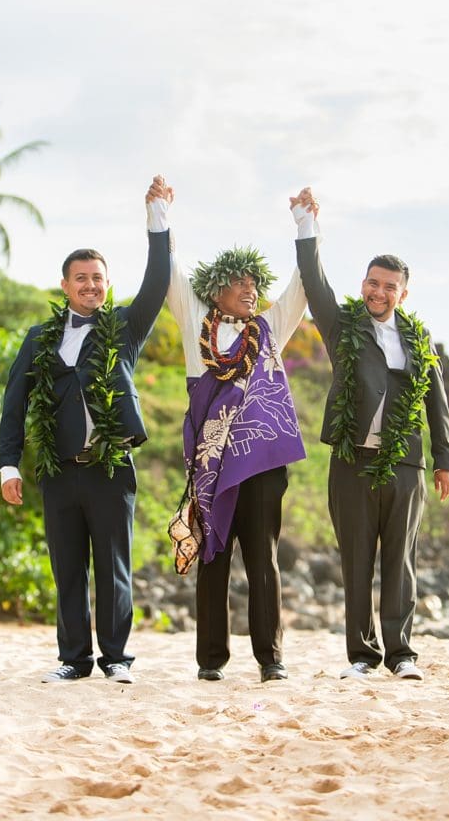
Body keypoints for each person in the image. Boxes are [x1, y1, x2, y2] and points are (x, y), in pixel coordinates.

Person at [0, 176, 172, 683]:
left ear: (107, 284)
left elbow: (157, 282)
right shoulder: (39, 338)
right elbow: (15, 402)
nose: (91, 285)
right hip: (58, 472)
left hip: (110, 468)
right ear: (65, 285)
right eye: (81, 278)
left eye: (98, 278)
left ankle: (116, 658)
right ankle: (73, 660)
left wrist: (158, 218)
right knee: (68, 569)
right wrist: (9, 465)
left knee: (114, 567)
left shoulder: (124, 329)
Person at [149, 179, 315, 682]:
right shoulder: (194, 321)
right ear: (215, 290)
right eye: (240, 283)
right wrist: (159, 212)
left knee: (263, 559)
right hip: (212, 464)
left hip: (261, 465)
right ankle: (211, 661)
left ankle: (271, 659)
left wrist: (306, 223)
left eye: (254, 284)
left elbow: (301, 287)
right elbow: (170, 271)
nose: (251, 290)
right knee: (213, 555)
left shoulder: (269, 328)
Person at [291, 187, 449, 682]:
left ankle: (401, 654)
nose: (378, 292)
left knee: (400, 560)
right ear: (363, 284)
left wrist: (445, 460)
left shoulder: (418, 339)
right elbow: (315, 282)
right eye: (372, 283)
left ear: (403, 294)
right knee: (357, 561)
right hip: (351, 462)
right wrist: (306, 224)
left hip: (405, 465)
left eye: (389, 287)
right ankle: (362, 656)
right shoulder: (342, 326)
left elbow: (437, 401)